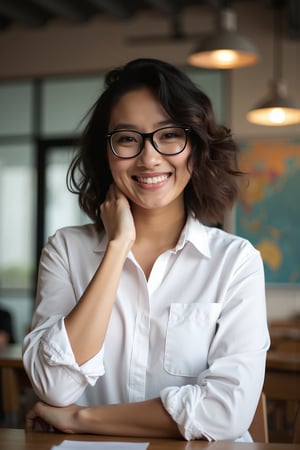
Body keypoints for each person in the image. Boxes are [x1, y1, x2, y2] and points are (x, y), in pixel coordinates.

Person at [22, 58, 270, 441]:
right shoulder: (66, 250)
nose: (149, 157)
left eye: (169, 135)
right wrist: (118, 247)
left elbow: (225, 413)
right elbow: (53, 387)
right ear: (106, 152)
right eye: (126, 138)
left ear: (196, 146)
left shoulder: (235, 262)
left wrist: (79, 419)